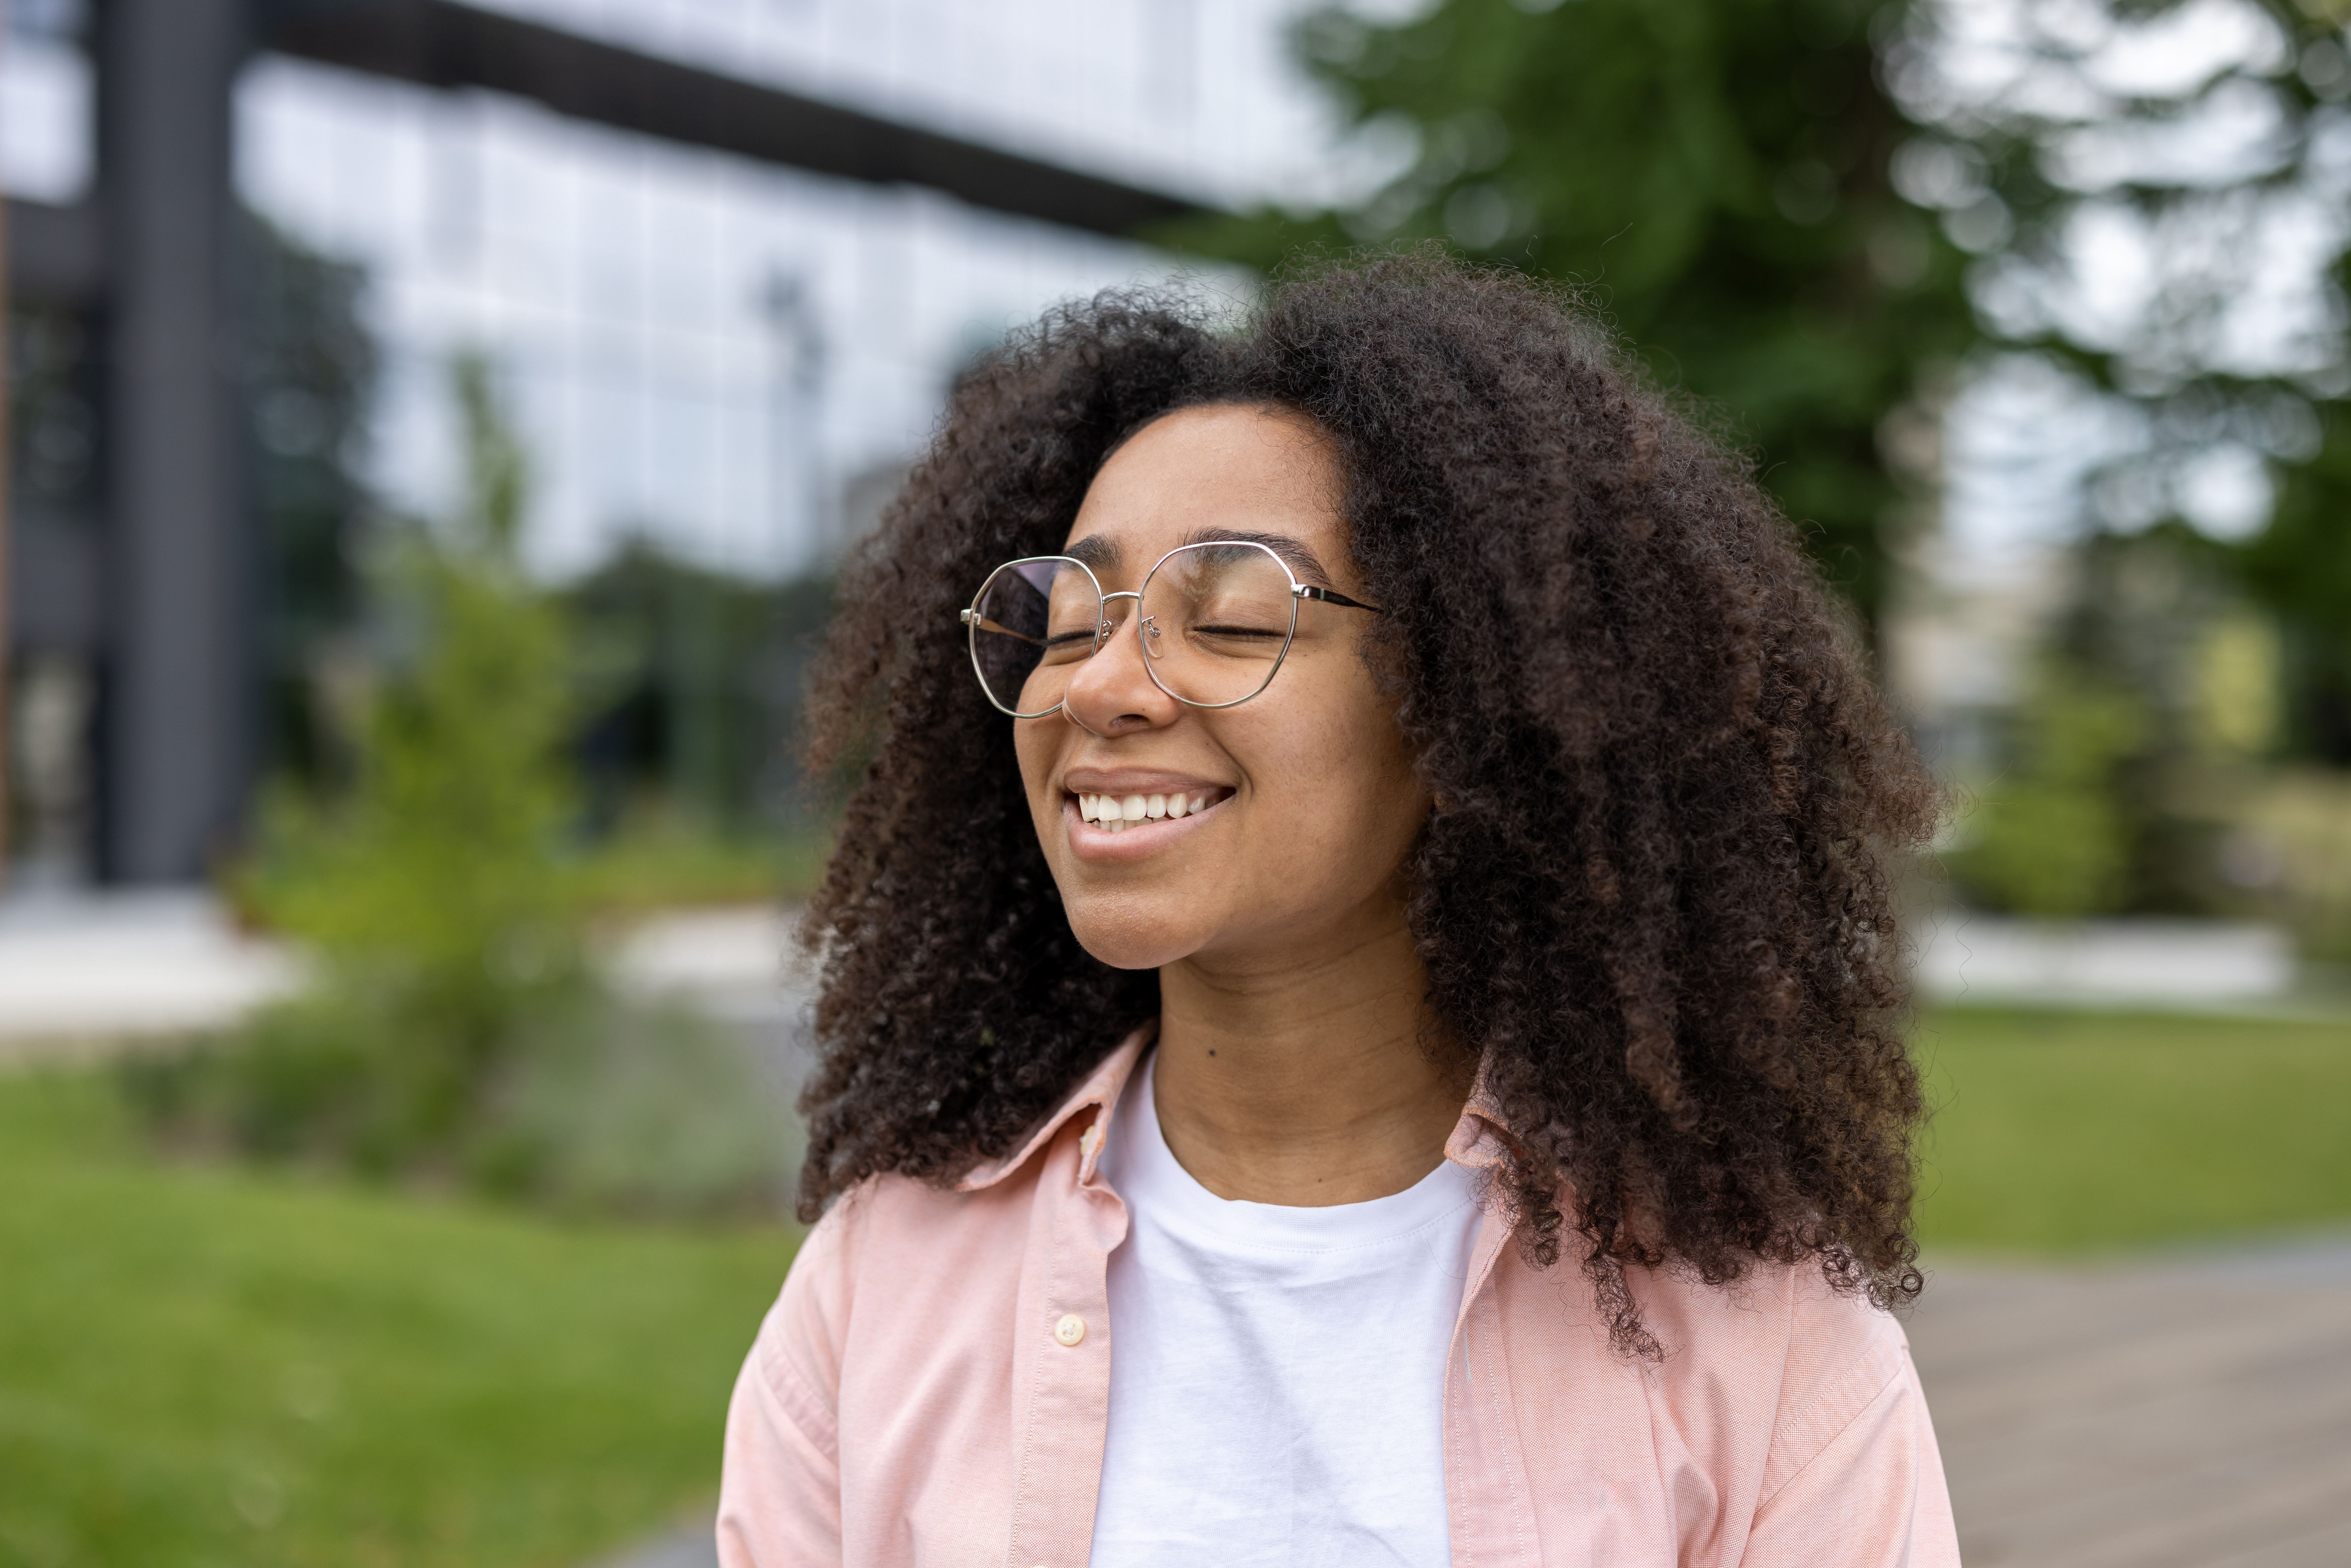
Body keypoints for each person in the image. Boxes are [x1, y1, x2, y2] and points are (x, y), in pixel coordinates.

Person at [718, 252, 1959, 1567]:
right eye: (1067, 620)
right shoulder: (881, 1290)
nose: (1097, 689)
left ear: (1468, 704)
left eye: (1238, 618)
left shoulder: (1761, 1350)